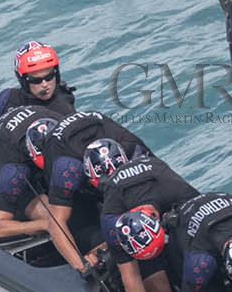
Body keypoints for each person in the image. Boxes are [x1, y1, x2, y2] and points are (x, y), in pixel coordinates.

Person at [40, 110, 151, 274]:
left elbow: (160, 184)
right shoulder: (67, 169)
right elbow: (55, 223)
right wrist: (82, 265)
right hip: (65, 157)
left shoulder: (132, 147)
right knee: (93, 238)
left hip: (99, 138)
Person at [100, 156, 199, 292]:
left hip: (167, 205)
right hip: (132, 217)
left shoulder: (178, 192)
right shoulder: (112, 220)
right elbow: (129, 273)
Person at [0, 105, 60, 239]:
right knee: (58, 219)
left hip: (27, 123)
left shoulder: (73, 134)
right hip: (4, 151)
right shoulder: (15, 171)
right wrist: (47, 224)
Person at [0, 42, 77, 119]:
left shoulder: (64, 108)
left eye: (49, 77)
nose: (45, 84)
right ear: (24, 81)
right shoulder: (7, 98)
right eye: (36, 80)